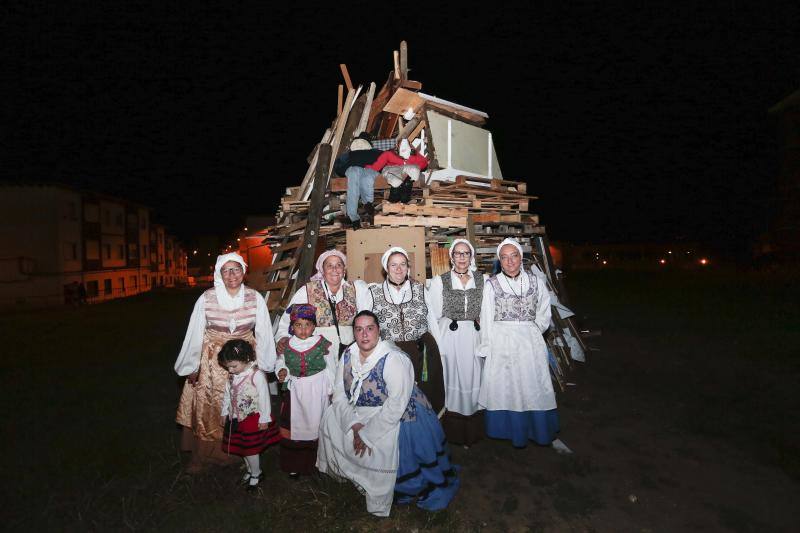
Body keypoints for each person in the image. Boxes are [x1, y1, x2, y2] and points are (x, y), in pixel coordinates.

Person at [316, 311, 459, 517]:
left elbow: (396, 405)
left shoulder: (394, 359)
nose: (364, 334)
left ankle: (393, 482)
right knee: (331, 416)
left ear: (379, 331)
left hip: (399, 412)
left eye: (370, 328)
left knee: (386, 441)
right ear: (354, 333)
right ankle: (353, 472)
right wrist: (354, 425)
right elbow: (339, 393)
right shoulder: (349, 354)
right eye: (359, 329)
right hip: (361, 407)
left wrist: (366, 434)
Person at [175, 252, 277, 472]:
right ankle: (204, 456)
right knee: (209, 406)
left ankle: (244, 453)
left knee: (245, 404)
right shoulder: (206, 298)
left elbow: (265, 332)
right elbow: (195, 333)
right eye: (226, 270)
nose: (232, 275)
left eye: (236, 269)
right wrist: (191, 367)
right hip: (213, 360)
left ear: (244, 272)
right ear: (219, 273)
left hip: (246, 359)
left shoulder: (254, 297)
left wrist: (265, 365)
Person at [478, 238, 559, 448]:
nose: (509, 261)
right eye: (504, 257)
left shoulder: (535, 281)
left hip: (529, 343)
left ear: (520, 257)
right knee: (509, 387)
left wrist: (532, 330)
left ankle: (537, 430)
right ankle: (511, 431)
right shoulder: (492, 285)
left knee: (532, 386)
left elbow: (544, 311)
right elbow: (486, 318)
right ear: (500, 261)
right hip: (502, 342)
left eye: (513, 256)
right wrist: (487, 346)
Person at [365, 247, 445, 414]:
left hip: (420, 354)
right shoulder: (373, 292)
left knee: (423, 399)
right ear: (386, 268)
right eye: (393, 265)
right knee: (393, 399)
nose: (399, 269)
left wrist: (440, 352)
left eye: (403, 264)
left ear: (408, 267)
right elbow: (367, 327)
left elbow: (431, 321)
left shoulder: (421, 290)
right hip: (389, 355)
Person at [427, 239, 486, 446]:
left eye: (466, 253)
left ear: (471, 257)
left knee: (474, 379)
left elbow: (487, 311)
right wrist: (437, 344)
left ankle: (473, 430)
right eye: (458, 253)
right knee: (452, 378)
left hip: (473, 336)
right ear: (451, 257)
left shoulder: (482, 280)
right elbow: (433, 315)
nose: (462, 257)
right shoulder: (439, 281)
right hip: (450, 336)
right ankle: (452, 432)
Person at [275, 249, 371, 359]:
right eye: (329, 265)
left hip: (350, 351)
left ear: (344, 270)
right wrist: (283, 338)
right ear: (322, 271)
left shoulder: (357, 289)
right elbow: (288, 320)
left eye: (339, 265)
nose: (334, 269)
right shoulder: (307, 291)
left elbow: (368, 319)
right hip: (317, 354)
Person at [275, 304, 336, 477]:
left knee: (318, 425)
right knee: (294, 426)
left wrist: (331, 389)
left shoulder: (322, 344)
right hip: (296, 391)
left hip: (318, 388)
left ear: (314, 326)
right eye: (298, 325)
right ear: (292, 327)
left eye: (307, 325)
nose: (303, 329)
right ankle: (295, 464)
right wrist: (282, 371)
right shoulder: (287, 345)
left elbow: (332, 367)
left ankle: (319, 462)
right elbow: (281, 362)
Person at [218, 339, 280, 490]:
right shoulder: (232, 376)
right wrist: (224, 411)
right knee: (242, 448)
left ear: (246, 359)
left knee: (251, 449)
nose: (230, 370)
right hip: (236, 418)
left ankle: (257, 473)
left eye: (233, 366)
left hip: (252, 418)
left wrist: (264, 418)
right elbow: (228, 393)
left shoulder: (256, 375)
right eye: (228, 367)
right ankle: (250, 469)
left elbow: (265, 397)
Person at [333, 136, 383, 229]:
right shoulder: (375, 153)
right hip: (363, 167)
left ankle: (355, 216)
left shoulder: (348, 157)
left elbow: (339, 165)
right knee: (364, 176)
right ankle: (367, 204)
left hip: (356, 167)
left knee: (355, 182)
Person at [370, 138, 428, 204]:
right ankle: (393, 200)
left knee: (412, 174)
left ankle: (405, 200)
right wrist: (368, 169)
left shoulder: (414, 154)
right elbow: (377, 165)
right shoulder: (389, 153)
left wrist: (411, 158)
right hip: (392, 169)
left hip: (406, 169)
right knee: (396, 181)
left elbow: (424, 164)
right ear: (397, 146)